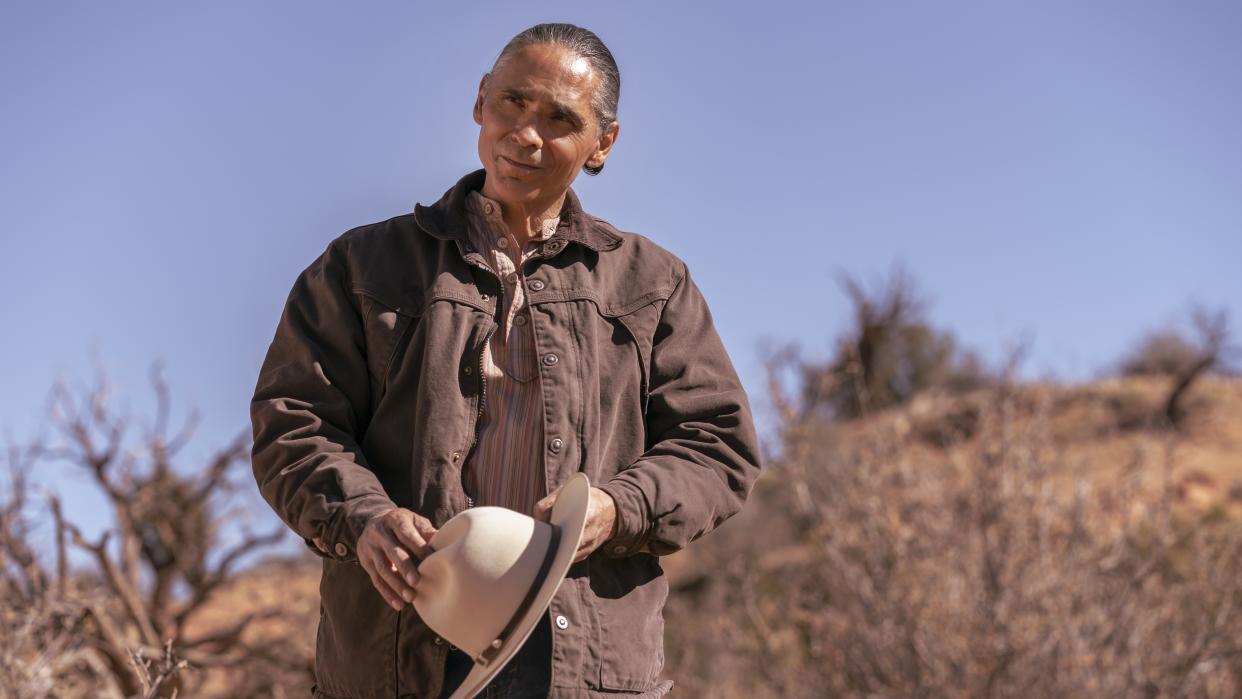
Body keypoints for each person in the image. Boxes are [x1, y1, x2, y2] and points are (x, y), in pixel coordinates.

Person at [249, 22, 761, 699]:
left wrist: (618, 506)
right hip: (401, 652)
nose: (525, 134)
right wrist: (364, 516)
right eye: (512, 103)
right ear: (480, 101)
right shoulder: (363, 266)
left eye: (559, 119)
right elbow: (295, 423)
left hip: (583, 662)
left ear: (603, 143)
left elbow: (717, 446)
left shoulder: (651, 283)